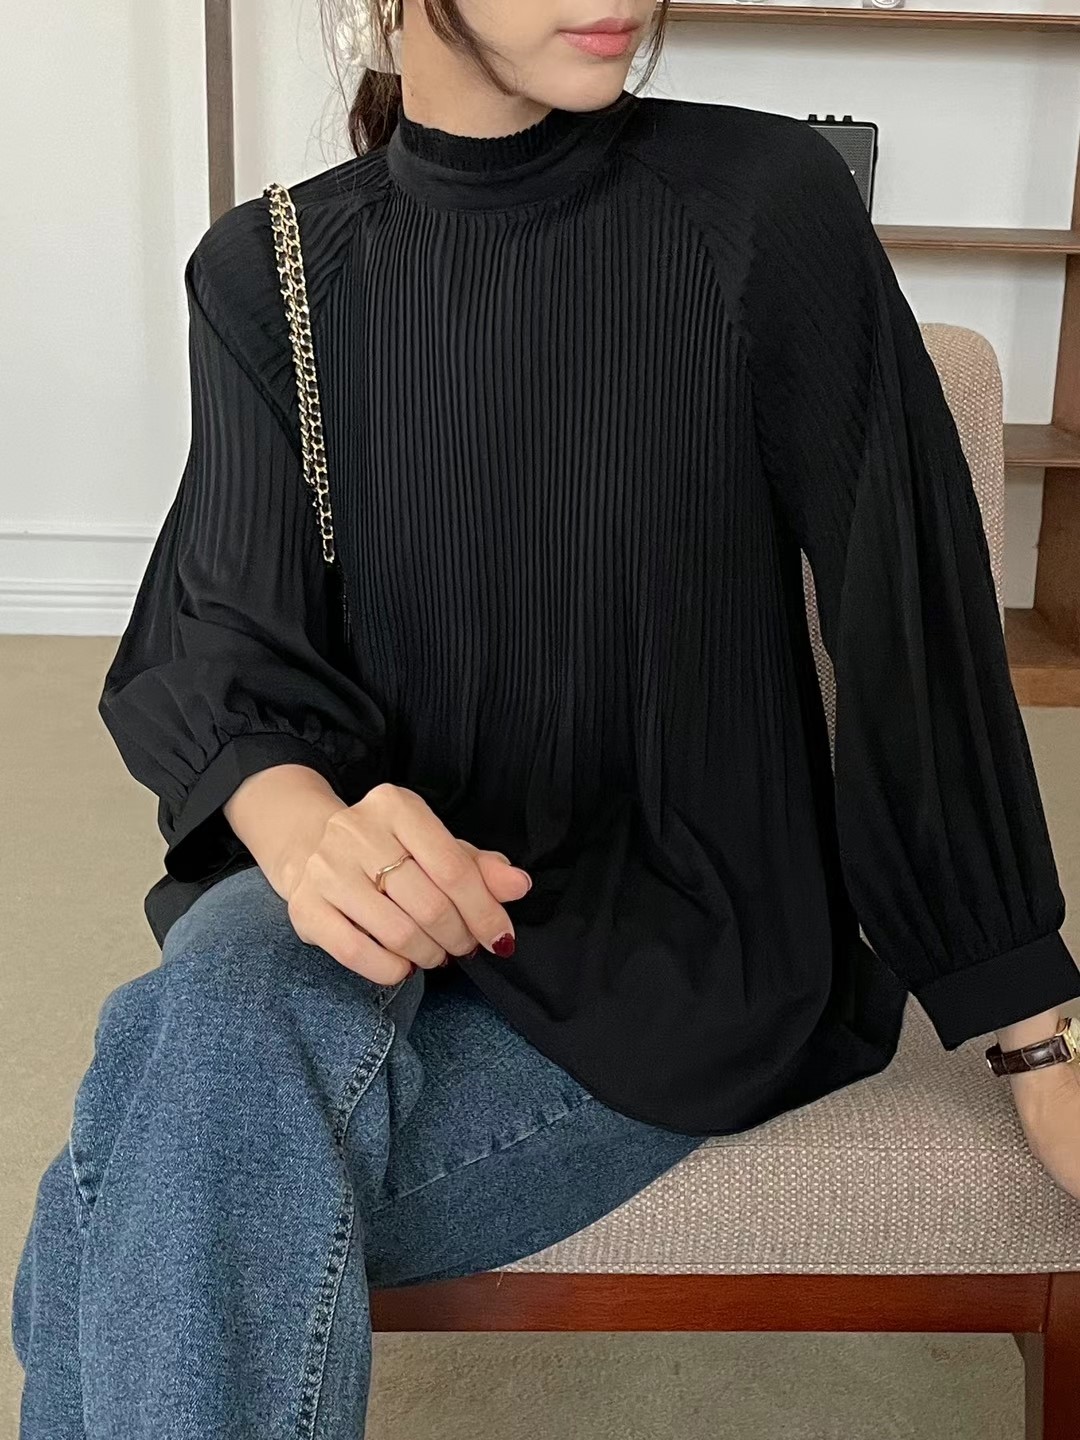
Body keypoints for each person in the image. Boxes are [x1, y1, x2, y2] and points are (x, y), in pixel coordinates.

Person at [12, 0, 1080, 1434]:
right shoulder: (272, 270)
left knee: (142, 1166)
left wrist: (1034, 1033)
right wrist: (306, 827)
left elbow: (912, 616)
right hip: (380, 899)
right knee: (221, 1015)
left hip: (679, 931)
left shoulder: (760, 205)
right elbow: (221, 633)